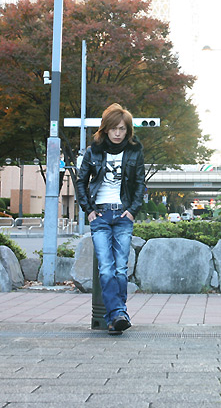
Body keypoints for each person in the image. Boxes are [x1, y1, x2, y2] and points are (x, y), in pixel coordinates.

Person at [77, 103, 145, 335]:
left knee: (120, 270)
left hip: (123, 215)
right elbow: (81, 181)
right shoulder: (93, 152)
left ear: (128, 131)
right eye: (114, 128)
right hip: (100, 215)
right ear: (105, 129)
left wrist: (132, 210)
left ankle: (116, 317)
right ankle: (119, 314)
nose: (118, 133)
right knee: (106, 269)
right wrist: (88, 210)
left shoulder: (134, 151)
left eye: (122, 129)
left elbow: (140, 184)